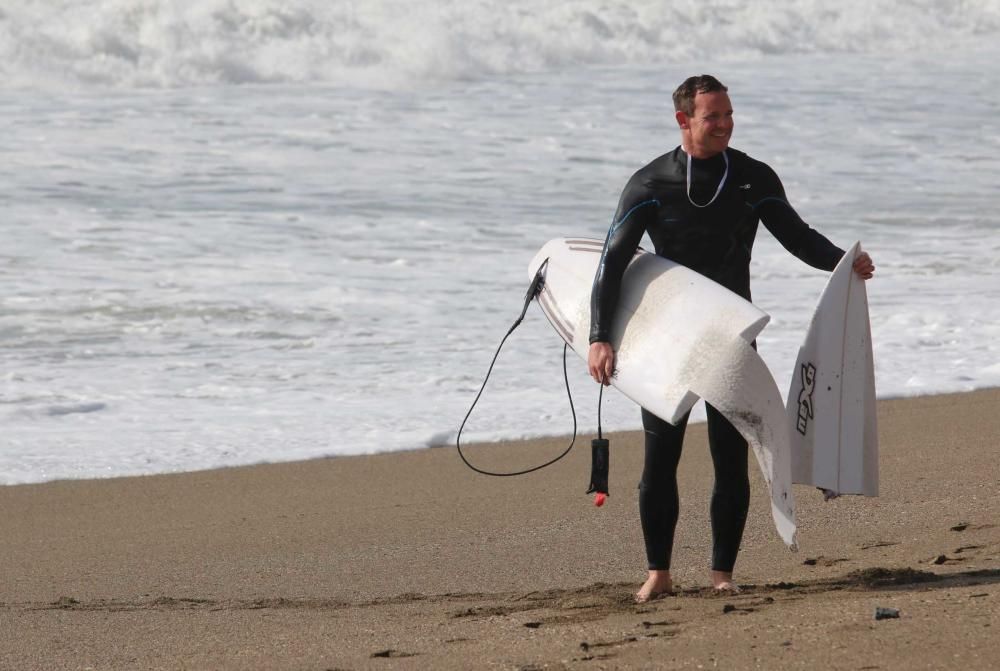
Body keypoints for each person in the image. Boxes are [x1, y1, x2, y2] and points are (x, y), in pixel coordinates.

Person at [587, 74, 875, 603]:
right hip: (668, 338)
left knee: (729, 455)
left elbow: (796, 235)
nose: (724, 125)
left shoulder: (752, 177)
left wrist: (842, 262)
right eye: (712, 116)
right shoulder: (650, 184)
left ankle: (722, 573)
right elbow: (612, 262)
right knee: (660, 457)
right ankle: (660, 572)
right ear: (683, 120)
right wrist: (600, 337)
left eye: (728, 114)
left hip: (731, 337)